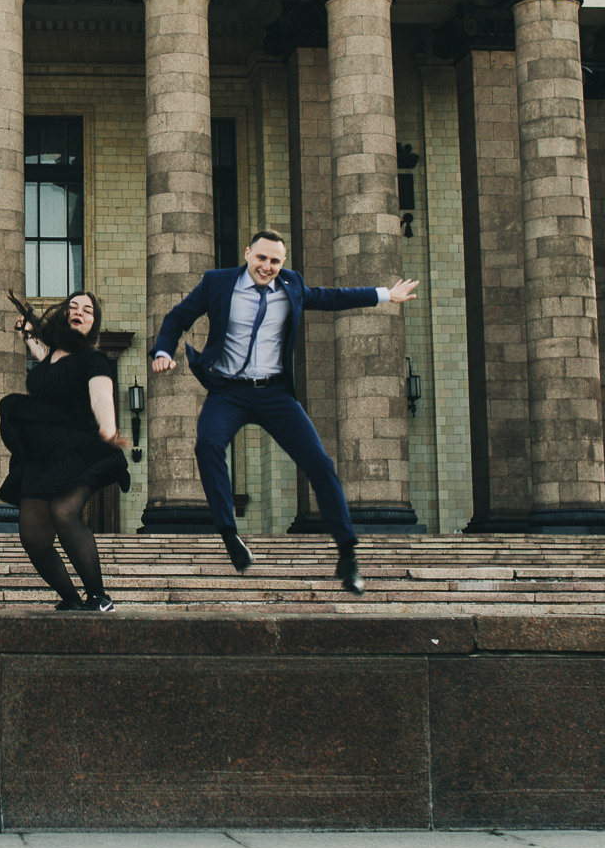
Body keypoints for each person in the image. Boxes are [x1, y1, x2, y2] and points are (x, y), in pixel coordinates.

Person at [150, 229, 418, 590]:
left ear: (283, 263)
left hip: (275, 394)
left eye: (275, 261)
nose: (267, 267)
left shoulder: (291, 285)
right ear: (247, 253)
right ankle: (230, 535)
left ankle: (348, 554)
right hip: (228, 391)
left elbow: (331, 298)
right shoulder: (217, 283)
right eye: (261, 258)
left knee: (320, 464)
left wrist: (386, 295)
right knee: (207, 445)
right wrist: (163, 351)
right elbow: (177, 317)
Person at [0, 291, 131, 612]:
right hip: (44, 454)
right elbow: (45, 359)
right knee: (32, 536)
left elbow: (101, 396)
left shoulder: (93, 360)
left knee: (64, 513)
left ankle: (99, 597)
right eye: (73, 307)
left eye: (87, 310)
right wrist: (27, 333)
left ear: (93, 323)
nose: (79, 312)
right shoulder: (50, 358)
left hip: (79, 449)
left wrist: (109, 428)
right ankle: (71, 599)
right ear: (64, 315)